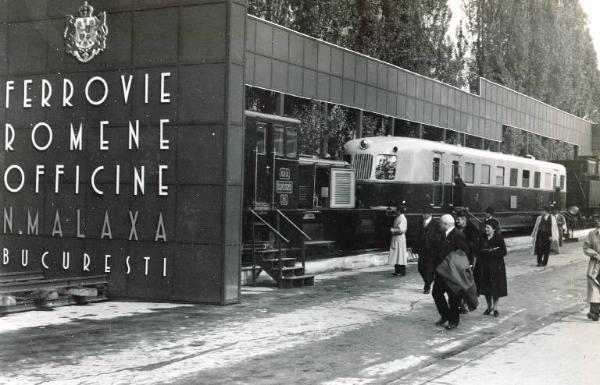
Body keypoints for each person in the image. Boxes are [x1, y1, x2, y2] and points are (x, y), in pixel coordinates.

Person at [432, 214, 470, 330]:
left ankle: (454, 321)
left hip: (452, 272)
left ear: (446, 224)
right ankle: (445, 315)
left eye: (440, 223)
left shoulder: (458, 235)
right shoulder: (444, 234)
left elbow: (465, 252)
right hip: (442, 271)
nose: (438, 224)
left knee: (453, 297)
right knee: (436, 293)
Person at [474, 222, 508, 317]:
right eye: (485, 227)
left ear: (493, 229)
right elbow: (477, 249)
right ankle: (489, 307)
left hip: (496, 267)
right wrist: (483, 251)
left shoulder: (498, 237)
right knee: (486, 288)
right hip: (485, 266)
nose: (486, 229)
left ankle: (495, 308)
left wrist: (493, 252)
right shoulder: (482, 237)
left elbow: (504, 251)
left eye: (488, 227)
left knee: (495, 288)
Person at [415, 208, 440, 294]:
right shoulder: (420, 222)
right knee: (420, 268)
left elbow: (439, 236)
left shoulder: (436, 223)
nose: (423, 215)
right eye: (422, 213)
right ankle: (429, 280)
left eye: (425, 213)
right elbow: (417, 236)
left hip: (431, 251)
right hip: (422, 250)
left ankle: (427, 286)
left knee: (429, 269)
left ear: (430, 214)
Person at [583, 215, 600, 321]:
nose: (597, 222)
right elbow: (586, 248)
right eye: (597, 220)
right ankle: (594, 312)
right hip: (596, 264)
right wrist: (595, 254)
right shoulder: (592, 234)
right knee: (595, 286)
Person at [389, 203, 408, 276]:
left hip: (399, 238)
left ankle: (401, 271)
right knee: (397, 254)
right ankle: (398, 270)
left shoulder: (402, 218)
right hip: (396, 238)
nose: (395, 212)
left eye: (396, 210)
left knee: (400, 254)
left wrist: (393, 230)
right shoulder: (398, 217)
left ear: (399, 211)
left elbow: (401, 229)